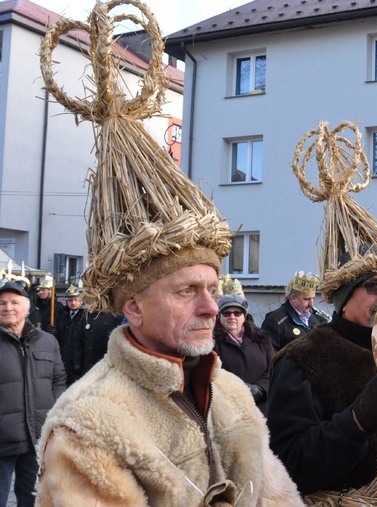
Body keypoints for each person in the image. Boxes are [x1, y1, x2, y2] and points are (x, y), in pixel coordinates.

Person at [35, 6, 301, 504]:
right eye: (187, 291)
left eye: (212, 288)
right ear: (132, 306)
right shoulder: (90, 427)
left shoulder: (232, 394)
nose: (210, 307)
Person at [270, 120, 377, 502]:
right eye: (374, 286)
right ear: (345, 297)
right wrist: (358, 420)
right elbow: (288, 466)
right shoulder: (303, 360)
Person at [0, 280, 66, 507]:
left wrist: (55, 412)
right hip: (2, 438)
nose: (7, 307)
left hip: (37, 437)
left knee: (33, 499)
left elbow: (58, 380)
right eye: (1, 303)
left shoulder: (47, 342)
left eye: (14, 302)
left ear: (27, 308)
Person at [213, 293, 275, 416]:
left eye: (237, 313)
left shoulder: (261, 339)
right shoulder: (212, 341)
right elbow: (210, 373)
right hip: (227, 411)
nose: (232, 316)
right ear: (219, 316)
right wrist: (238, 390)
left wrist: (260, 389)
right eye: (226, 313)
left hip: (260, 409)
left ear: (244, 316)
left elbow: (274, 369)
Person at [261, 271, 329, 351]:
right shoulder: (274, 321)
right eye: (306, 299)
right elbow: (270, 356)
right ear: (293, 298)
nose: (311, 304)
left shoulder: (320, 320)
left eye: (313, 298)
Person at [55, 284, 86, 384]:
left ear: (81, 301)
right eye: (70, 300)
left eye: (75, 300)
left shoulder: (86, 317)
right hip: (64, 358)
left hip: (79, 361)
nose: (73, 303)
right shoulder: (62, 315)